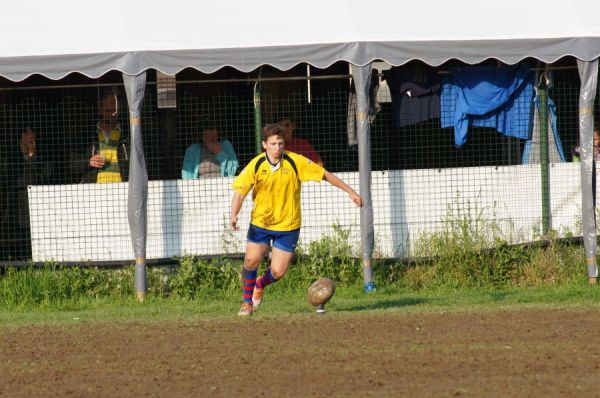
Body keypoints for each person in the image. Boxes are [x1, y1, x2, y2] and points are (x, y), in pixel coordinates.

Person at [230, 123, 363, 316]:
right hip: (261, 223)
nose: (277, 147)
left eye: (281, 143)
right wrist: (234, 214)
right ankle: (246, 303)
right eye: (273, 143)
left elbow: (324, 175)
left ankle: (260, 284)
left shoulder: (295, 161)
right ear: (264, 145)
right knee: (251, 260)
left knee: (278, 272)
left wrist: (350, 191)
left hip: (288, 226)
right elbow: (240, 192)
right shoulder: (257, 164)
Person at [81, 89, 128, 183]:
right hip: (94, 190)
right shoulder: (88, 134)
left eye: (115, 110)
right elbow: (70, 163)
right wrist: (88, 162)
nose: (112, 114)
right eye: (108, 111)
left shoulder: (127, 133)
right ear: (100, 110)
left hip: (123, 189)